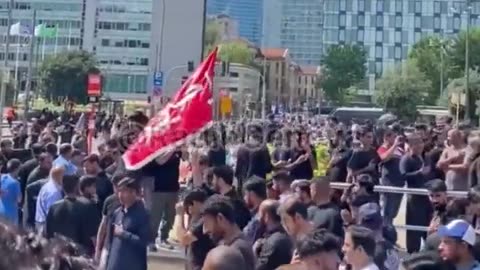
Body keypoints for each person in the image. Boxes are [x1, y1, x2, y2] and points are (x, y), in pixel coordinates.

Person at [45, 175, 98, 254]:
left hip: (59, 253)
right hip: (81, 255)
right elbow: (93, 235)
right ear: (77, 187)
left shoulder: (53, 207)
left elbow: (48, 234)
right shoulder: (87, 206)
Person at [105, 177, 150, 270]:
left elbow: (144, 242)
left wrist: (123, 234)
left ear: (133, 192)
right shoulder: (117, 212)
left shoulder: (142, 214)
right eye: (119, 191)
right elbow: (109, 242)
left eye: (124, 191)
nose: (120, 195)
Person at [201, 195, 255, 269]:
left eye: (206, 223)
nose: (204, 231)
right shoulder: (232, 245)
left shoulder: (238, 250)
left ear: (220, 218)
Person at [175, 189, 215, 270]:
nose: (188, 208)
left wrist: (179, 215)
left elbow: (184, 239)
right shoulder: (196, 219)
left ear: (195, 203)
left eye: (190, 204)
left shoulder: (203, 221)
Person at [254, 199, 293, 270]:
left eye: (259, 214)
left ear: (266, 216)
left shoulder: (272, 243)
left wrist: (254, 254)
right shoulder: (289, 235)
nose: (258, 219)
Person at [35, 166, 65, 233]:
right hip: (47, 226)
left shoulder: (47, 186)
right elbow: (52, 214)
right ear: (59, 176)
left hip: (41, 223)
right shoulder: (54, 192)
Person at [243, 177, 267, 243]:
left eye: (245, 194)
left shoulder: (258, 219)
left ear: (252, 194)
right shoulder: (267, 212)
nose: (244, 198)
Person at [0, 159, 22, 224]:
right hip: (11, 213)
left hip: (1, 210)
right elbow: (19, 200)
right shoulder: (16, 183)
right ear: (16, 169)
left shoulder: (2, 177)